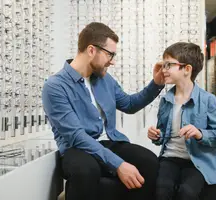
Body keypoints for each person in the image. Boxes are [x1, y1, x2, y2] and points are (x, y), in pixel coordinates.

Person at [42, 22, 165, 200]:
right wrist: (118, 165)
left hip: (110, 141)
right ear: (91, 50)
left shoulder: (105, 79)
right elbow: (76, 136)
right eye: (110, 54)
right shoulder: (55, 86)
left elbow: (129, 104)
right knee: (85, 171)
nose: (112, 61)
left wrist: (156, 84)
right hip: (77, 148)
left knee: (149, 161)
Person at [147, 42, 216, 200]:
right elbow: (162, 136)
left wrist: (200, 134)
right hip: (170, 158)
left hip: (198, 161)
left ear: (187, 69)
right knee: (161, 191)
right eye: (163, 65)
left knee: (187, 193)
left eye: (169, 65)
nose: (164, 70)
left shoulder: (208, 100)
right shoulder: (166, 100)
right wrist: (156, 136)